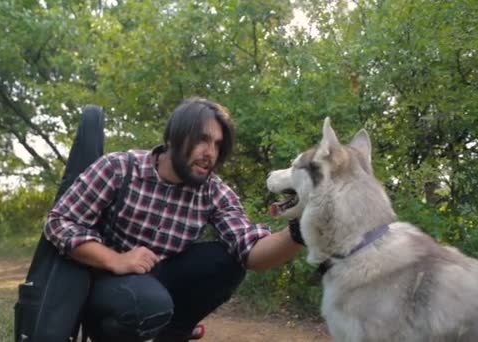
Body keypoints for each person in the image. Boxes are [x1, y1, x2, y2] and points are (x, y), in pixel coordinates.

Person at [44, 97, 304, 342]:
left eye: (217, 145)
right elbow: (60, 222)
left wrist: (301, 230)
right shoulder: (119, 168)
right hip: (105, 282)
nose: (210, 153)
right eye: (202, 140)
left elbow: (251, 252)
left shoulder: (213, 191)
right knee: (147, 304)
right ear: (173, 138)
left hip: (160, 279)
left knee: (229, 260)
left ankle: (174, 335)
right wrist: (115, 259)